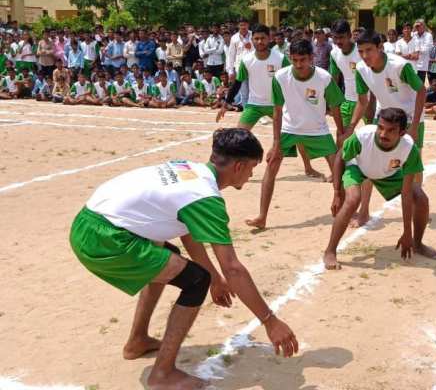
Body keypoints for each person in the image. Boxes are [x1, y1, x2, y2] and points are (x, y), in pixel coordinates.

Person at [69, 128, 299, 390]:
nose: (251, 174)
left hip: (88, 224)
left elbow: (187, 232)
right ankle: (162, 375)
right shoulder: (206, 197)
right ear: (239, 166)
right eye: (251, 168)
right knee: (195, 281)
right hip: (105, 239)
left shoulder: (189, 169)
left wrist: (215, 278)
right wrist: (270, 320)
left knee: (169, 259)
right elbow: (233, 268)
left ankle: (138, 340)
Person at [245, 38, 344, 230]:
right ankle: (262, 217)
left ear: (312, 58)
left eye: (303, 60)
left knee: (338, 169)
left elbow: (335, 107)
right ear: (290, 58)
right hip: (288, 129)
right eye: (295, 60)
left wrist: (340, 133)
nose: (299, 64)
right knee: (271, 167)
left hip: (318, 130)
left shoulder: (324, 78)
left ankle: (342, 207)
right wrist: (275, 143)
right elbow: (277, 111)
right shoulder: (281, 76)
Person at [323, 108, 436, 269]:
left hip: (388, 173)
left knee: (420, 198)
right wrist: (336, 193)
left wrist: (407, 232)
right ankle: (330, 250)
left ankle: (417, 243)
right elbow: (340, 158)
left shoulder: (408, 149)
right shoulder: (363, 136)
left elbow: (406, 194)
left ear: (402, 133)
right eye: (381, 127)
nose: (383, 134)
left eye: (391, 130)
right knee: (353, 199)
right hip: (359, 167)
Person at [348, 29, 427, 227]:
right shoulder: (360, 68)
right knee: (368, 162)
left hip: (409, 119)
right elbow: (362, 100)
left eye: (369, 50)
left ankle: (418, 205)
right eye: (361, 51)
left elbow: (421, 90)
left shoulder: (400, 66)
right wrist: (351, 127)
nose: (365, 56)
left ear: (380, 48)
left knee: (413, 166)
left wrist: (415, 126)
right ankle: (364, 211)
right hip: (384, 118)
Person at [229, 18, 253, 106]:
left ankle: (256, 112)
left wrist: (251, 47)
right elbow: (231, 55)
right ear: (238, 26)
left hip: (253, 67)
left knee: (254, 91)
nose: (243, 27)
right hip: (240, 68)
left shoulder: (254, 35)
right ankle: (246, 112)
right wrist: (230, 70)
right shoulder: (234, 38)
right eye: (241, 25)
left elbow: (260, 49)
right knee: (244, 92)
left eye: (245, 25)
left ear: (248, 25)